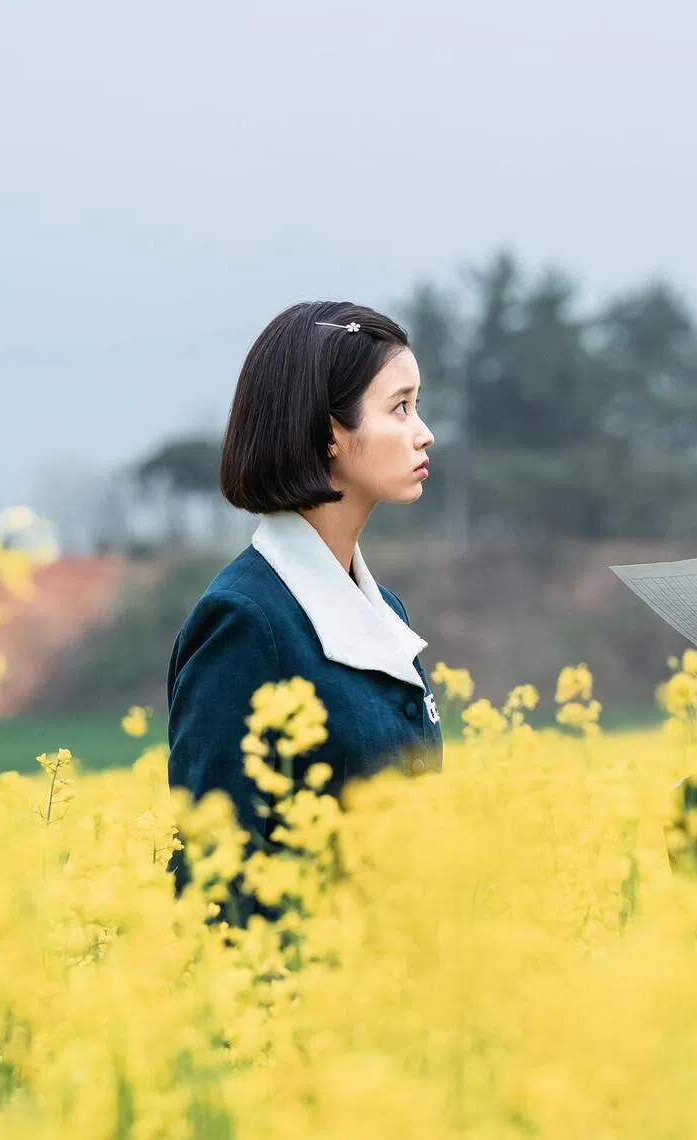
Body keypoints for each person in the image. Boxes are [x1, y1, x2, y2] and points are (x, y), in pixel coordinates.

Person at [167, 301, 442, 868]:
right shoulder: (246, 621)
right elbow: (216, 873)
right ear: (329, 434)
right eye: (400, 409)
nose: (425, 434)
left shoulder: (385, 611)